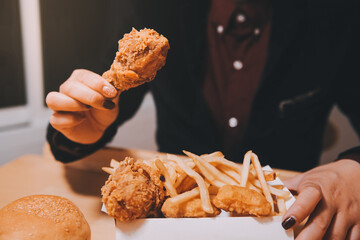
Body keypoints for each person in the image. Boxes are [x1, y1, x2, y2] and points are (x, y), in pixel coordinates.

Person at [45, 0, 360, 238]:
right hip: (170, 217)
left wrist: (355, 168)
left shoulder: (339, 15)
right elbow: (93, 94)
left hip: (293, 214)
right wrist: (79, 127)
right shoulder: (151, 8)